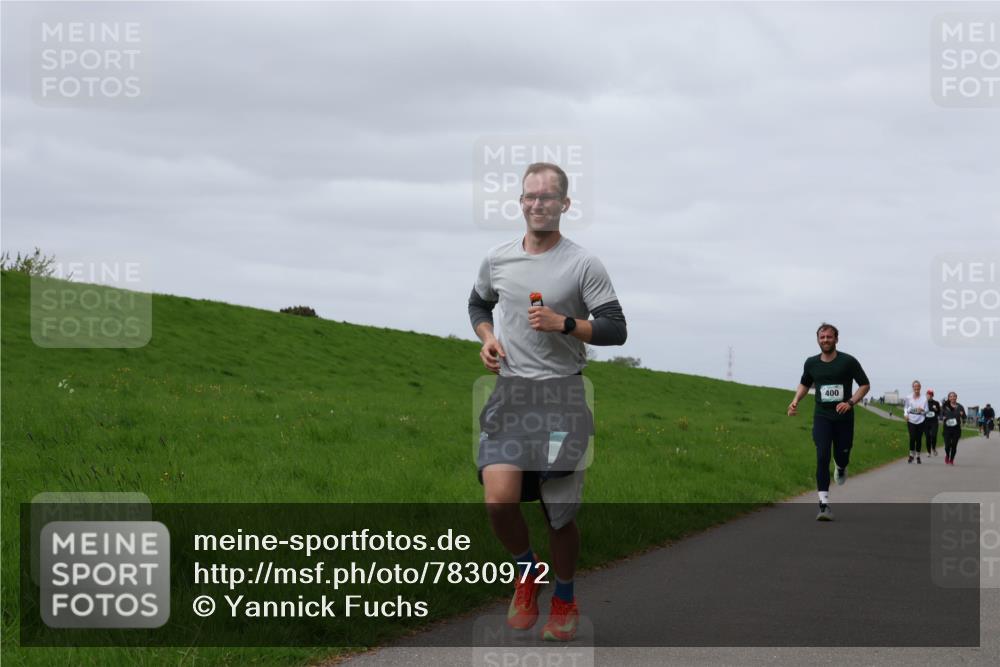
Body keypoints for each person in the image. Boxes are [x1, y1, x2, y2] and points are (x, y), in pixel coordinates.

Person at [468, 162, 627, 641]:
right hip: (511, 393)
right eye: (529, 196)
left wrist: (564, 324)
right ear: (520, 203)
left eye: (547, 197)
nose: (538, 204)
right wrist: (488, 337)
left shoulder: (583, 264)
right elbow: (478, 303)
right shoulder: (497, 259)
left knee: (558, 513)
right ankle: (527, 572)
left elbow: (616, 329)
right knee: (498, 501)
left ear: (565, 204)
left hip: (562, 395)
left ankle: (563, 595)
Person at [787, 323, 870, 521]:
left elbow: (865, 385)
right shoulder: (811, 363)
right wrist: (795, 400)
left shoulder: (848, 361)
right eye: (822, 337)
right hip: (822, 417)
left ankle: (841, 467)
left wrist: (850, 402)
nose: (825, 340)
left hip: (844, 418)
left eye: (829, 337)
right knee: (822, 456)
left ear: (836, 339)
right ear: (818, 340)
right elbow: (805, 384)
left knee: (842, 455)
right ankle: (823, 505)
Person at [903, 380, 928, 463]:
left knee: (918, 439)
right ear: (913, 388)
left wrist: (922, 410)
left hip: (921, 420)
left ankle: (918, 456)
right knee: (912, 437)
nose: (916, 388)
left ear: (920, 388)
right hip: (911, 420)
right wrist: (905, 414)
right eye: (915, 386)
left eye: (918, 386)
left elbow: (927, 411)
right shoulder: (908, 397)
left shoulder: (924, 398)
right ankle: (911, 455)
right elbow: (906, 407)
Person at [941, 392, 967, 465]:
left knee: (954, 445)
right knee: (947, 446)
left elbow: (965, 417)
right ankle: (947, 455)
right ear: (949, 398)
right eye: (951, 396)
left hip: (956, 429)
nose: (952, 398)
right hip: (947, 429)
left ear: (956, 397)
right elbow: (940, 415)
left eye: (954, 396)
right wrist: (942, 417)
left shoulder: (960, 406)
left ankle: (951, 459)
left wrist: (963, 415)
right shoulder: (945, 406)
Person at [925, 389, 941, 456]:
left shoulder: (936, 403)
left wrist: (936, 409)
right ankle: (928, 452)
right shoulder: (924, 403)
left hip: (934, 422)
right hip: (926, 422)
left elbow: (939, 412)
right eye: (928, 394)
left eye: (930, 394)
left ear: (932, 395)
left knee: (933, 436)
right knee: (927, 437)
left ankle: (933, 448)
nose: (929, 396)